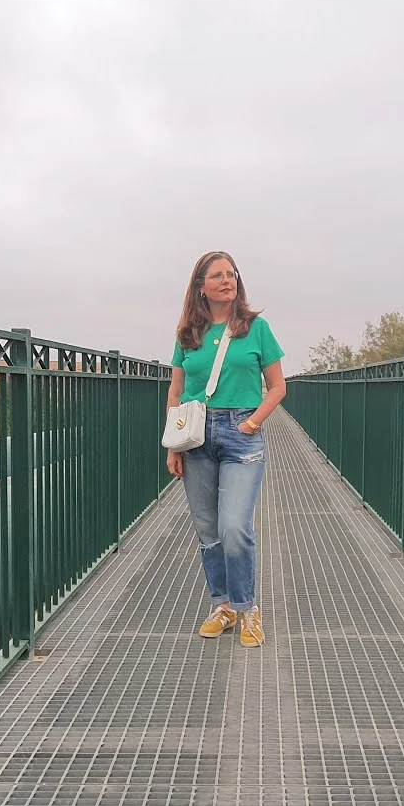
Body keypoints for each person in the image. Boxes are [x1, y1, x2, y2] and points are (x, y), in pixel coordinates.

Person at [168, 250, 285, 646]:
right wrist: (172, 445)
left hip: (241, 434)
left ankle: (247, 608)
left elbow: (278, 387)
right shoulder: (188, 334)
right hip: (196, 436)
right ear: (200, 286)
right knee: (208, 530)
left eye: (231, 274)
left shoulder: (256, 329)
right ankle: (223, 606)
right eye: (217, 275)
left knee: (233, 526)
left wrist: (252, 423)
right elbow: (176, 391)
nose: (227, 280)